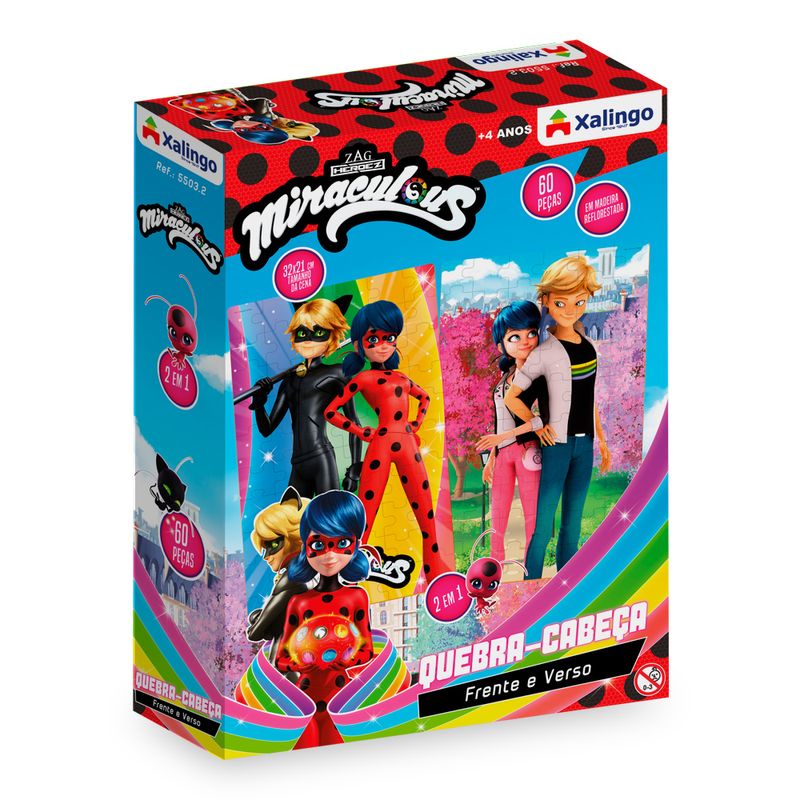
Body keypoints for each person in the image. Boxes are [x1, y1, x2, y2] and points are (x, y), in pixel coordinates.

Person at [324, 300, 451, 581]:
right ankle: (349, 568)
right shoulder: (363, 378)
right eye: (373, 339)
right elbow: (330, 412)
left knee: (426, 509)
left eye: (389, 338)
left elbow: (425, 398)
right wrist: (361, 432)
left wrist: (415, 424)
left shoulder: (402, 377)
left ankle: (434, 566)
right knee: (366, 509)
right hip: (380, 444)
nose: (382, 345)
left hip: (408, 445)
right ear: (359, 344)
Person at [504, 255, 611, 579]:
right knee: (543, 525)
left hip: (585, 445)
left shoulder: (588, 347)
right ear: (547, 301)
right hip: (557, 447)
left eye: (579, 301)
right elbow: (512, 396)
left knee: (572, 525)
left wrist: (601, 441)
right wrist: (538, 424)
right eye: (562, 302)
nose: (571, 309)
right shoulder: (544, 353)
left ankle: (567, 582)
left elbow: (589, 399)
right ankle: (529, 584)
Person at [275, 490, 373, 748]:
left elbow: (367, 651)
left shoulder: (356, 597)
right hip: (304, 699)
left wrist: (343, 659)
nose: (330, 556)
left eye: (342, 543)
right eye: (319, 545)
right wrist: (304, 663)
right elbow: (282, 658)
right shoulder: (299, 602)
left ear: (356, 543)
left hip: (342, 698)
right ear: (305, 545)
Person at [248, 296, 362, 497]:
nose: (308, 339)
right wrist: (259, 403)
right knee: (291, 517)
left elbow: (354, 423)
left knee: (328, 514)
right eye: (302, 332)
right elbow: (267, 428)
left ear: (331, 335)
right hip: (297, 464)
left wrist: (355, 468)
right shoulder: (289, 380)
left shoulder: (337, 373)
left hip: (321, 457)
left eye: (318, 333)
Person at [475, 301, 551, 563]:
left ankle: (532, 564)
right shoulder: (505, 377)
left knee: (532, 513)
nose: (525, 341)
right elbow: (501, 421)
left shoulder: (538, 375)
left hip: (527, 449)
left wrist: (500, 439)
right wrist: (492, 457)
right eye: (514, 337)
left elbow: (541, 421)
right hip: (503, 453)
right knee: (498, 511)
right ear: (501, 346)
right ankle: (495, 563)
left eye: (531, 333)